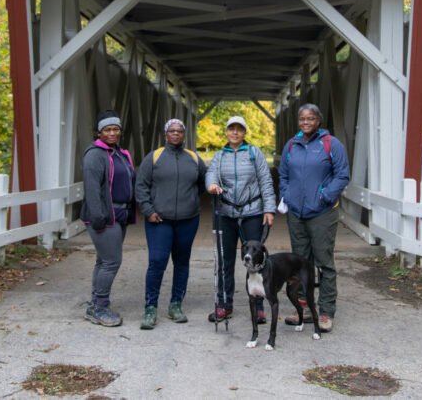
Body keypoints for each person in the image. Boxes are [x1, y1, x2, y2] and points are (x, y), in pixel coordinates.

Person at [277, 103, 350, 333]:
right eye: (302, 119)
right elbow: (283, 174)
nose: (305, 122)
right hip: (297, 214)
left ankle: (326, 311)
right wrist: (287, 194)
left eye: (310, 119)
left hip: (322, 213)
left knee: (324, 262)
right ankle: (303, 309)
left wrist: (325, 196)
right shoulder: (292, 145)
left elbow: (342, 175)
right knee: (299, 263)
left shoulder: (331, 144)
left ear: (318, 120)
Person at [135, 118, 207, 330]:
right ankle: (150, 308)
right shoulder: (154, 157)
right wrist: (149, 211)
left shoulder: (193, 158)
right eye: (172, 131)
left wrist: (190, 201)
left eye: (180, 131)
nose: (176, 134)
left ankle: (176, 304)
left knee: (182, 263)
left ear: (184, 135)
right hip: (159, 221)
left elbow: (203, 183)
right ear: (166, 134)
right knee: (157, 262)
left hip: (188, 220)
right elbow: (141, 186)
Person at [205, 115, 275, 323]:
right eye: (231, 129)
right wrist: (211, 185)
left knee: (256, 261)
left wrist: (269, 209)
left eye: (239, 129)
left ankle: (259, 305)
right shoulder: (219, 156)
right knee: (225, 260)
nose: (235, 132)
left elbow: (265, 181)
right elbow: (211, 174)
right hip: (225, 213)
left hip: (251, 212)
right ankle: (224, 304)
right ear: (226, 132)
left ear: (244, 133)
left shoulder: (255, 154)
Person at [79, 109, 136, 327]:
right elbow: (92, 188)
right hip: (105, 215)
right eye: (107, 129)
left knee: (104, 261)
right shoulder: (95, 154)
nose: (112, 133)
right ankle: (100, 307)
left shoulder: (120, 153)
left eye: (115, 129)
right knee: (112, 261)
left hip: (120, 214)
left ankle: (95, 303)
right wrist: (98, 217)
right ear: (99, 132)